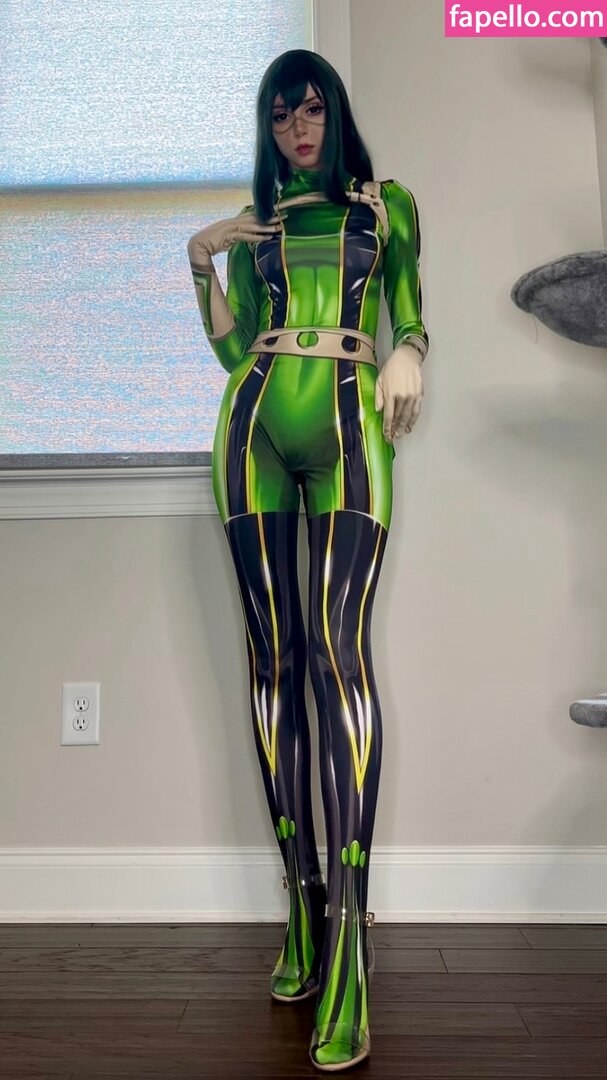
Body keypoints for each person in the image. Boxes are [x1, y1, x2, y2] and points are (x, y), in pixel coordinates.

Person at [187, 48, 429, 1073]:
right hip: (251, 425)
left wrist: (410, 348)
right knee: (273, 664)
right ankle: (300, 901)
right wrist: (200, 262)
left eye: (311, 107)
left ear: (335, 114)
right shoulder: (259, 226)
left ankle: (350, 941)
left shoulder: (387, 205)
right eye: (281, 113)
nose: (296, 126)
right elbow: (230, 348)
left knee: (338, 660)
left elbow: (407, 309)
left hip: (346, 422)